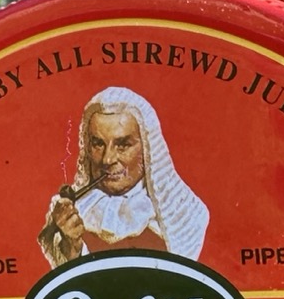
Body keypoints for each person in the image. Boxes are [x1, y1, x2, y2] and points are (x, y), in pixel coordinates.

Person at [38, 87, 209, 268]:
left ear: (147, 147)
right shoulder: (67, 213)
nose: (107, 159)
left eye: (123, 145)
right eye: (98, 144)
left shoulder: (187, 213)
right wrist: (71, 248)